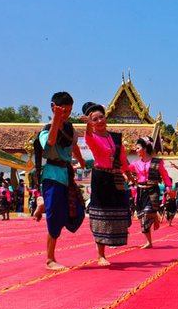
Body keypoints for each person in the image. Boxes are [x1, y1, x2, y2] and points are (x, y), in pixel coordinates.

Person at [38, 92, 87, 270]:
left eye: (69, 111)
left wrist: (81, 161)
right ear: (53, 107)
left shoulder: (69, 128)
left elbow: (73, 145)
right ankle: (50, 259)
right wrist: (55, 120)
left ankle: (42, 203)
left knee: (77, 211)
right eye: (63, 111)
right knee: (55, 216)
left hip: (67, 176)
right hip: (52, 176)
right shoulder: (45, 129)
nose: (66, 114)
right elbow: (50, 142)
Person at [82, 102, 131, 266]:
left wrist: (129, 174)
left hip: (116, 177)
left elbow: (123, 158)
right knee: (101, 214)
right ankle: (101, 255)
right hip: (101, 177)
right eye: (94, 119)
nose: (99, 121)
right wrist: (88, 126)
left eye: (101, 117)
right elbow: (88, 137)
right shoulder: (92, 137)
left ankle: (114, 240)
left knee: (120, 211)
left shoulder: (115, 138)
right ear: (91, 123)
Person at [127, 136, 172, 248]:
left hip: (153, 190)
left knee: (147, 213)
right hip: (141, 191)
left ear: (145, 148)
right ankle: (149, 242)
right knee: (142, 217)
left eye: (137, 148)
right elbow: (125, 169)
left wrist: (168, 187)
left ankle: (154, 216)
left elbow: (165, 176)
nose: (136, 150)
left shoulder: (157, 162)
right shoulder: (136, 164)